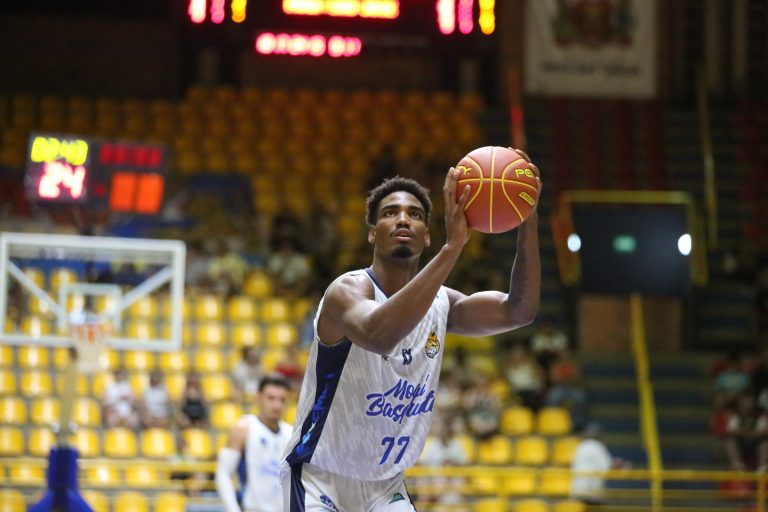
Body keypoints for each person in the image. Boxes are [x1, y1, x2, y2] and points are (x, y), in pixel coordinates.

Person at [280, 162, 541, 511]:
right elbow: (379, 334)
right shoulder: (347, 291)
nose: (403, 219)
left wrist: (527, 219)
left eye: (415, 214)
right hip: (320, 477)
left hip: (386, 486)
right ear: (373, 233)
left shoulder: (442, 303)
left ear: (426, 235)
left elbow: (518, 311)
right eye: (391, 212)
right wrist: (452, 249)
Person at [216, 375, 293, 512]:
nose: (277, 405)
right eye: (271, 398)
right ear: (259, 397)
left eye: (282, 400)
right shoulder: (243, 427)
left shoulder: (291, 433)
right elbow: (223, 474)